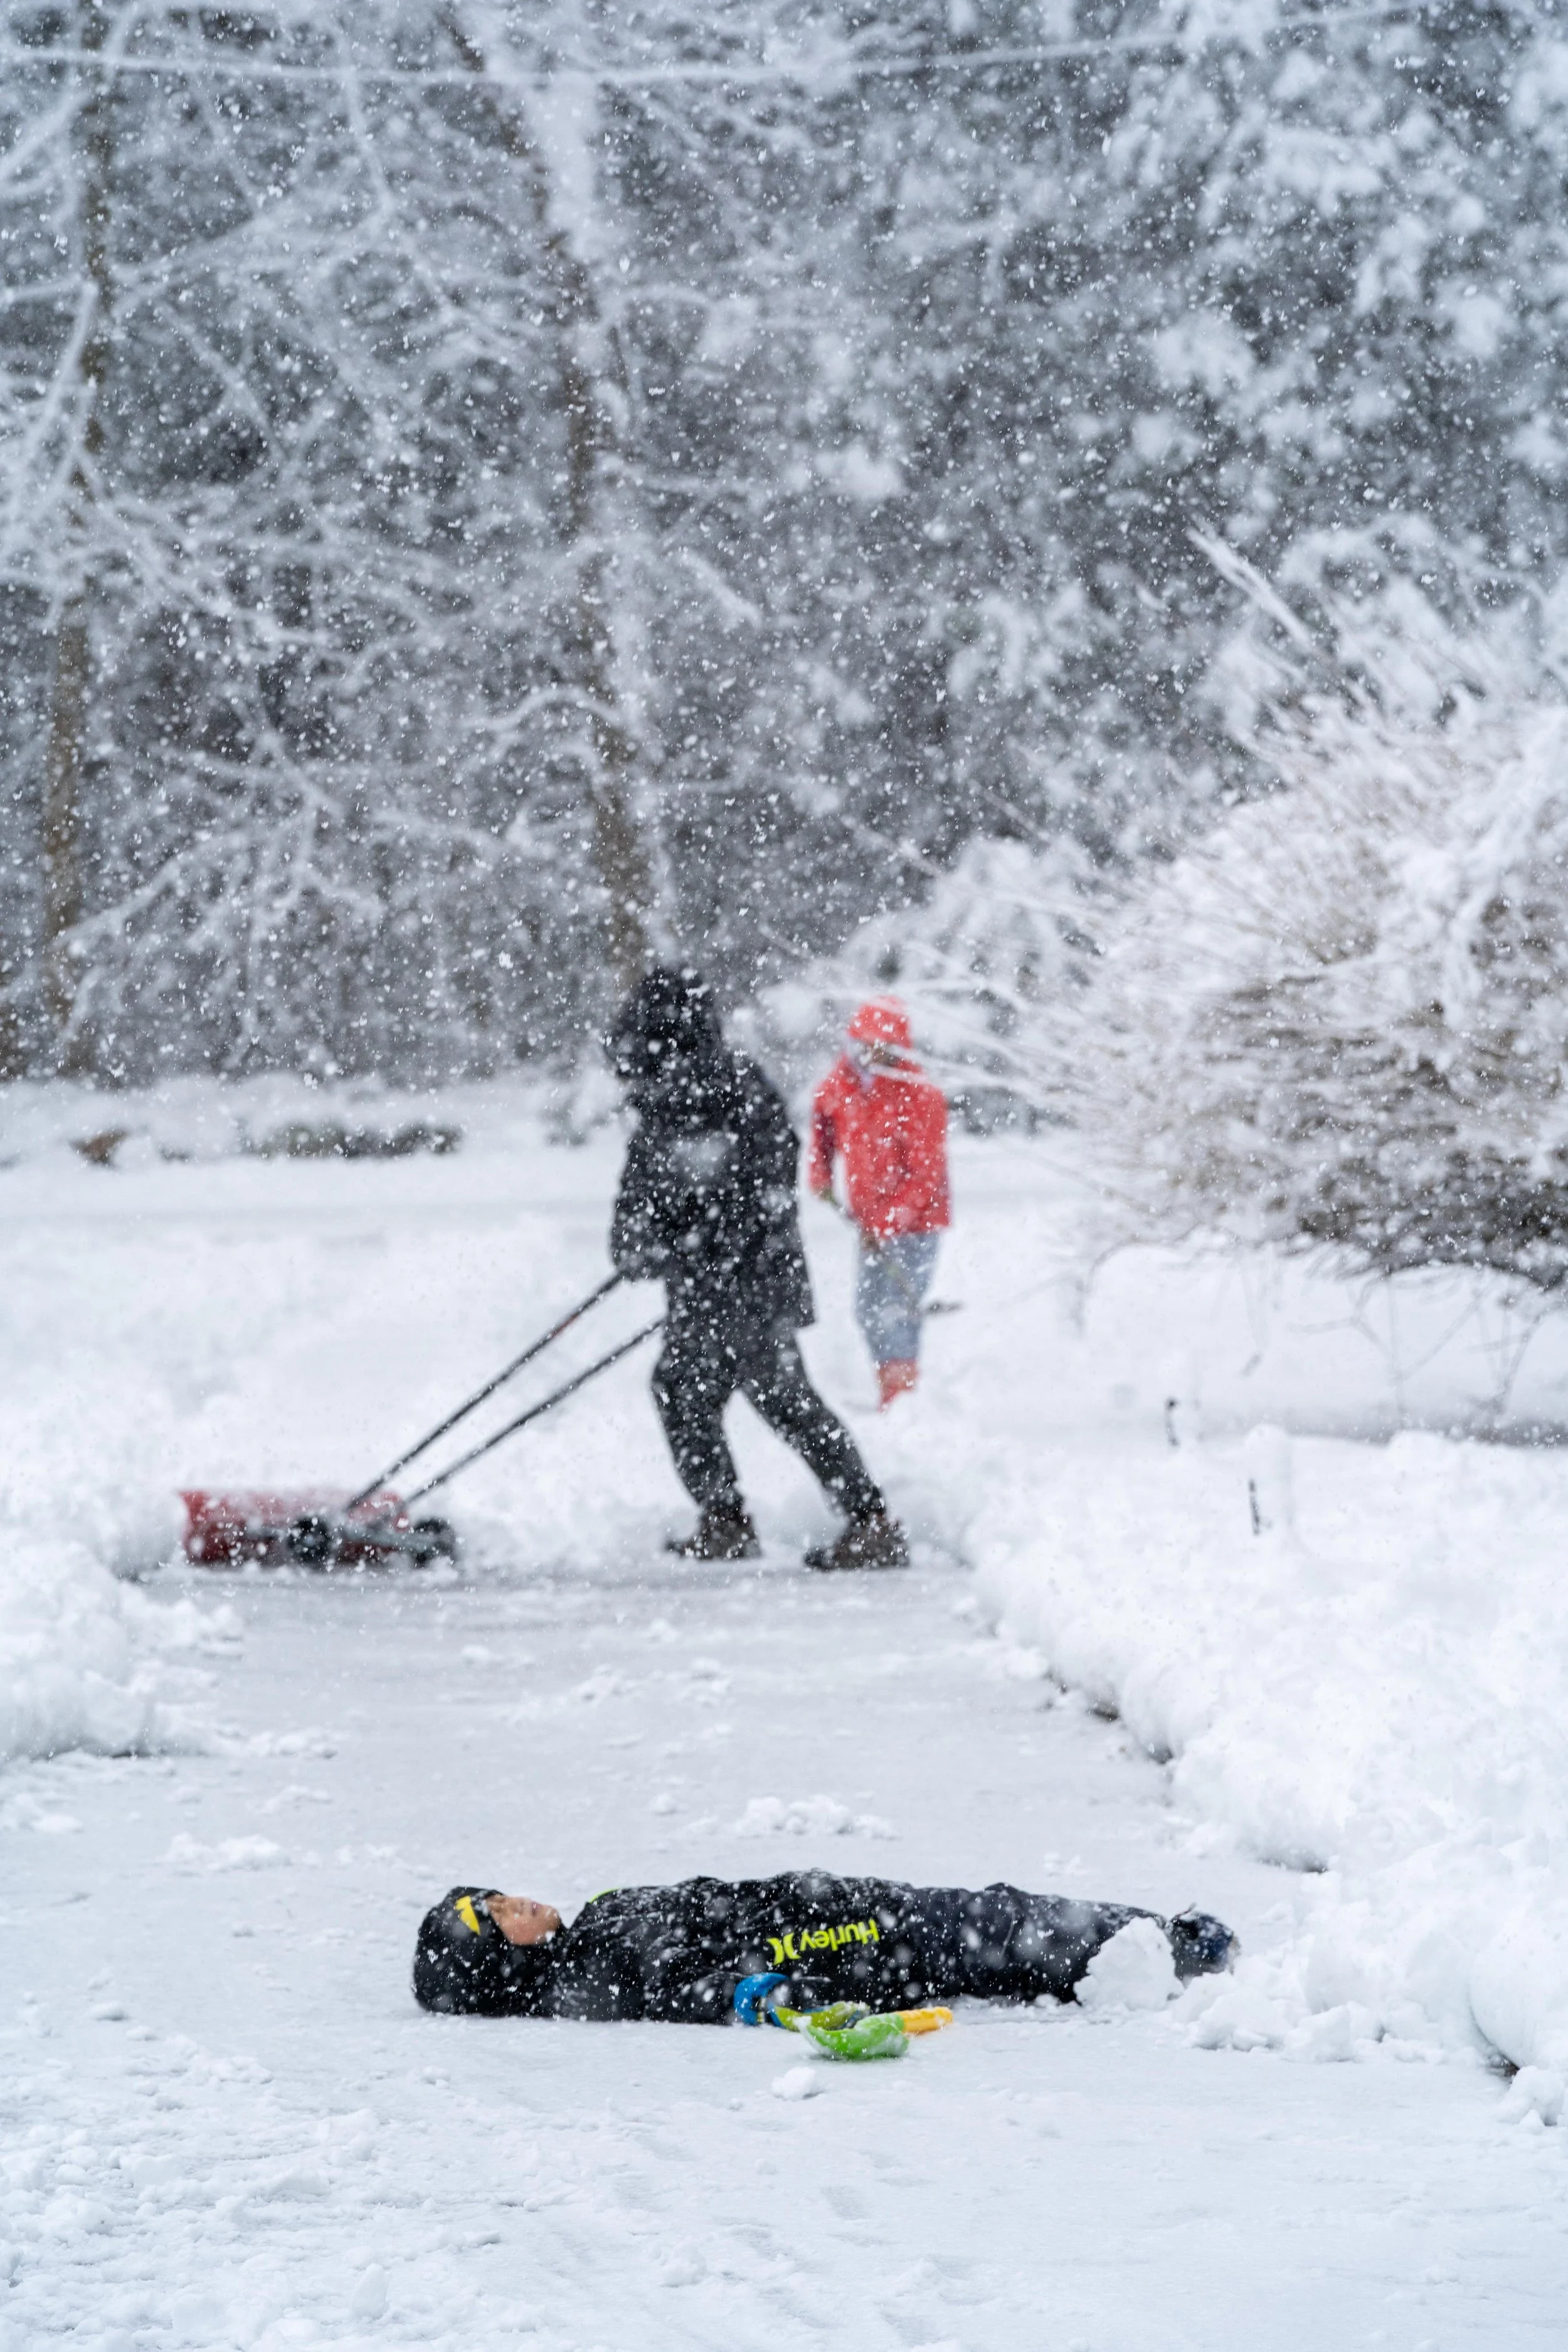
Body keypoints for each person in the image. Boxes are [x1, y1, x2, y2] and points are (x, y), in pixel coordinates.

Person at [607, 966, 908, 1571]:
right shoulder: (669, 1100)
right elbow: (643, 1189)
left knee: (772, 1396)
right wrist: (642, 1243)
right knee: (694, 1393)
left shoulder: (732, 1091)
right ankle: (732, 1520)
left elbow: (766, 1189)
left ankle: (863, 1521)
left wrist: (704, 1243)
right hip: (706, 1285)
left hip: (749, 1283)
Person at [412, 1870, 1238, 2021]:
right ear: (503, 1961)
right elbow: (703, 1990)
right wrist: (774, 1996)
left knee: (979, 1916)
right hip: (835, 1939)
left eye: (492, 1894)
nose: (509, 1899)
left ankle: (1149, 1935)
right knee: (986, 1929)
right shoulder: (592, 1972)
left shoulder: (588, 1933)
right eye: (494, 1917)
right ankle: (1162, 1950)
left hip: (828, 1914)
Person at [809, 997, 950, 1407]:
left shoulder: (919, 1095)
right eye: (867, 1042)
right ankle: (890, 1389)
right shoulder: (843, 1084)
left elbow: (925, 1175)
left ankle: (902, 1398)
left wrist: (888, 1223)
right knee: (869, 1309)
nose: (874, 1052)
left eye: (884, 1044)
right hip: (870, 1221)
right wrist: (820, 1172)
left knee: (897, 1309)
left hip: (917, 1223)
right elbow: (822, 1121)